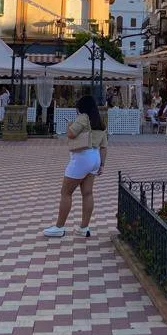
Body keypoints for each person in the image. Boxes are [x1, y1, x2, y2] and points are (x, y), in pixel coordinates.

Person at [43, 95, 108, 238]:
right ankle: (84, 228)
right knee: (88, 193)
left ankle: (59, 227)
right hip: (95, 156)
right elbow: (104, 147)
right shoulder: (100, 122)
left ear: (82, 107)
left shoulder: (83, 118)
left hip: (82, 157)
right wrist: (102, 165)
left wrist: (70, 125)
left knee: (66, 192)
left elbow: (71, 134)